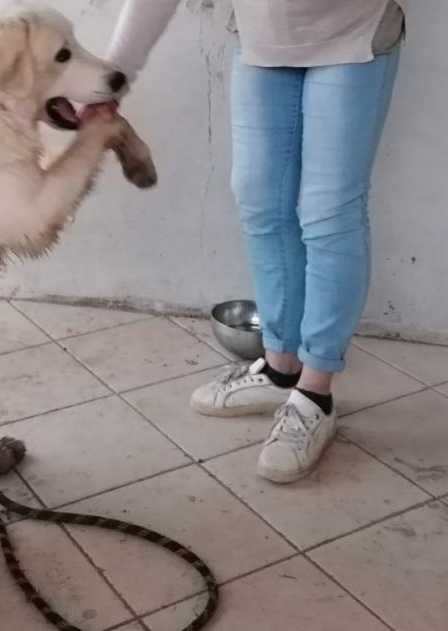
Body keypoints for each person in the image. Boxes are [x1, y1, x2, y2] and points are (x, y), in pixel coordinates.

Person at [98, 0, 405, 483]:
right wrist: (113, 73)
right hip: (262, 38)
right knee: (260, 200)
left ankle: (315, 392)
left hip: (353, 34)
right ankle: (280, 364)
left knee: (329, 213)